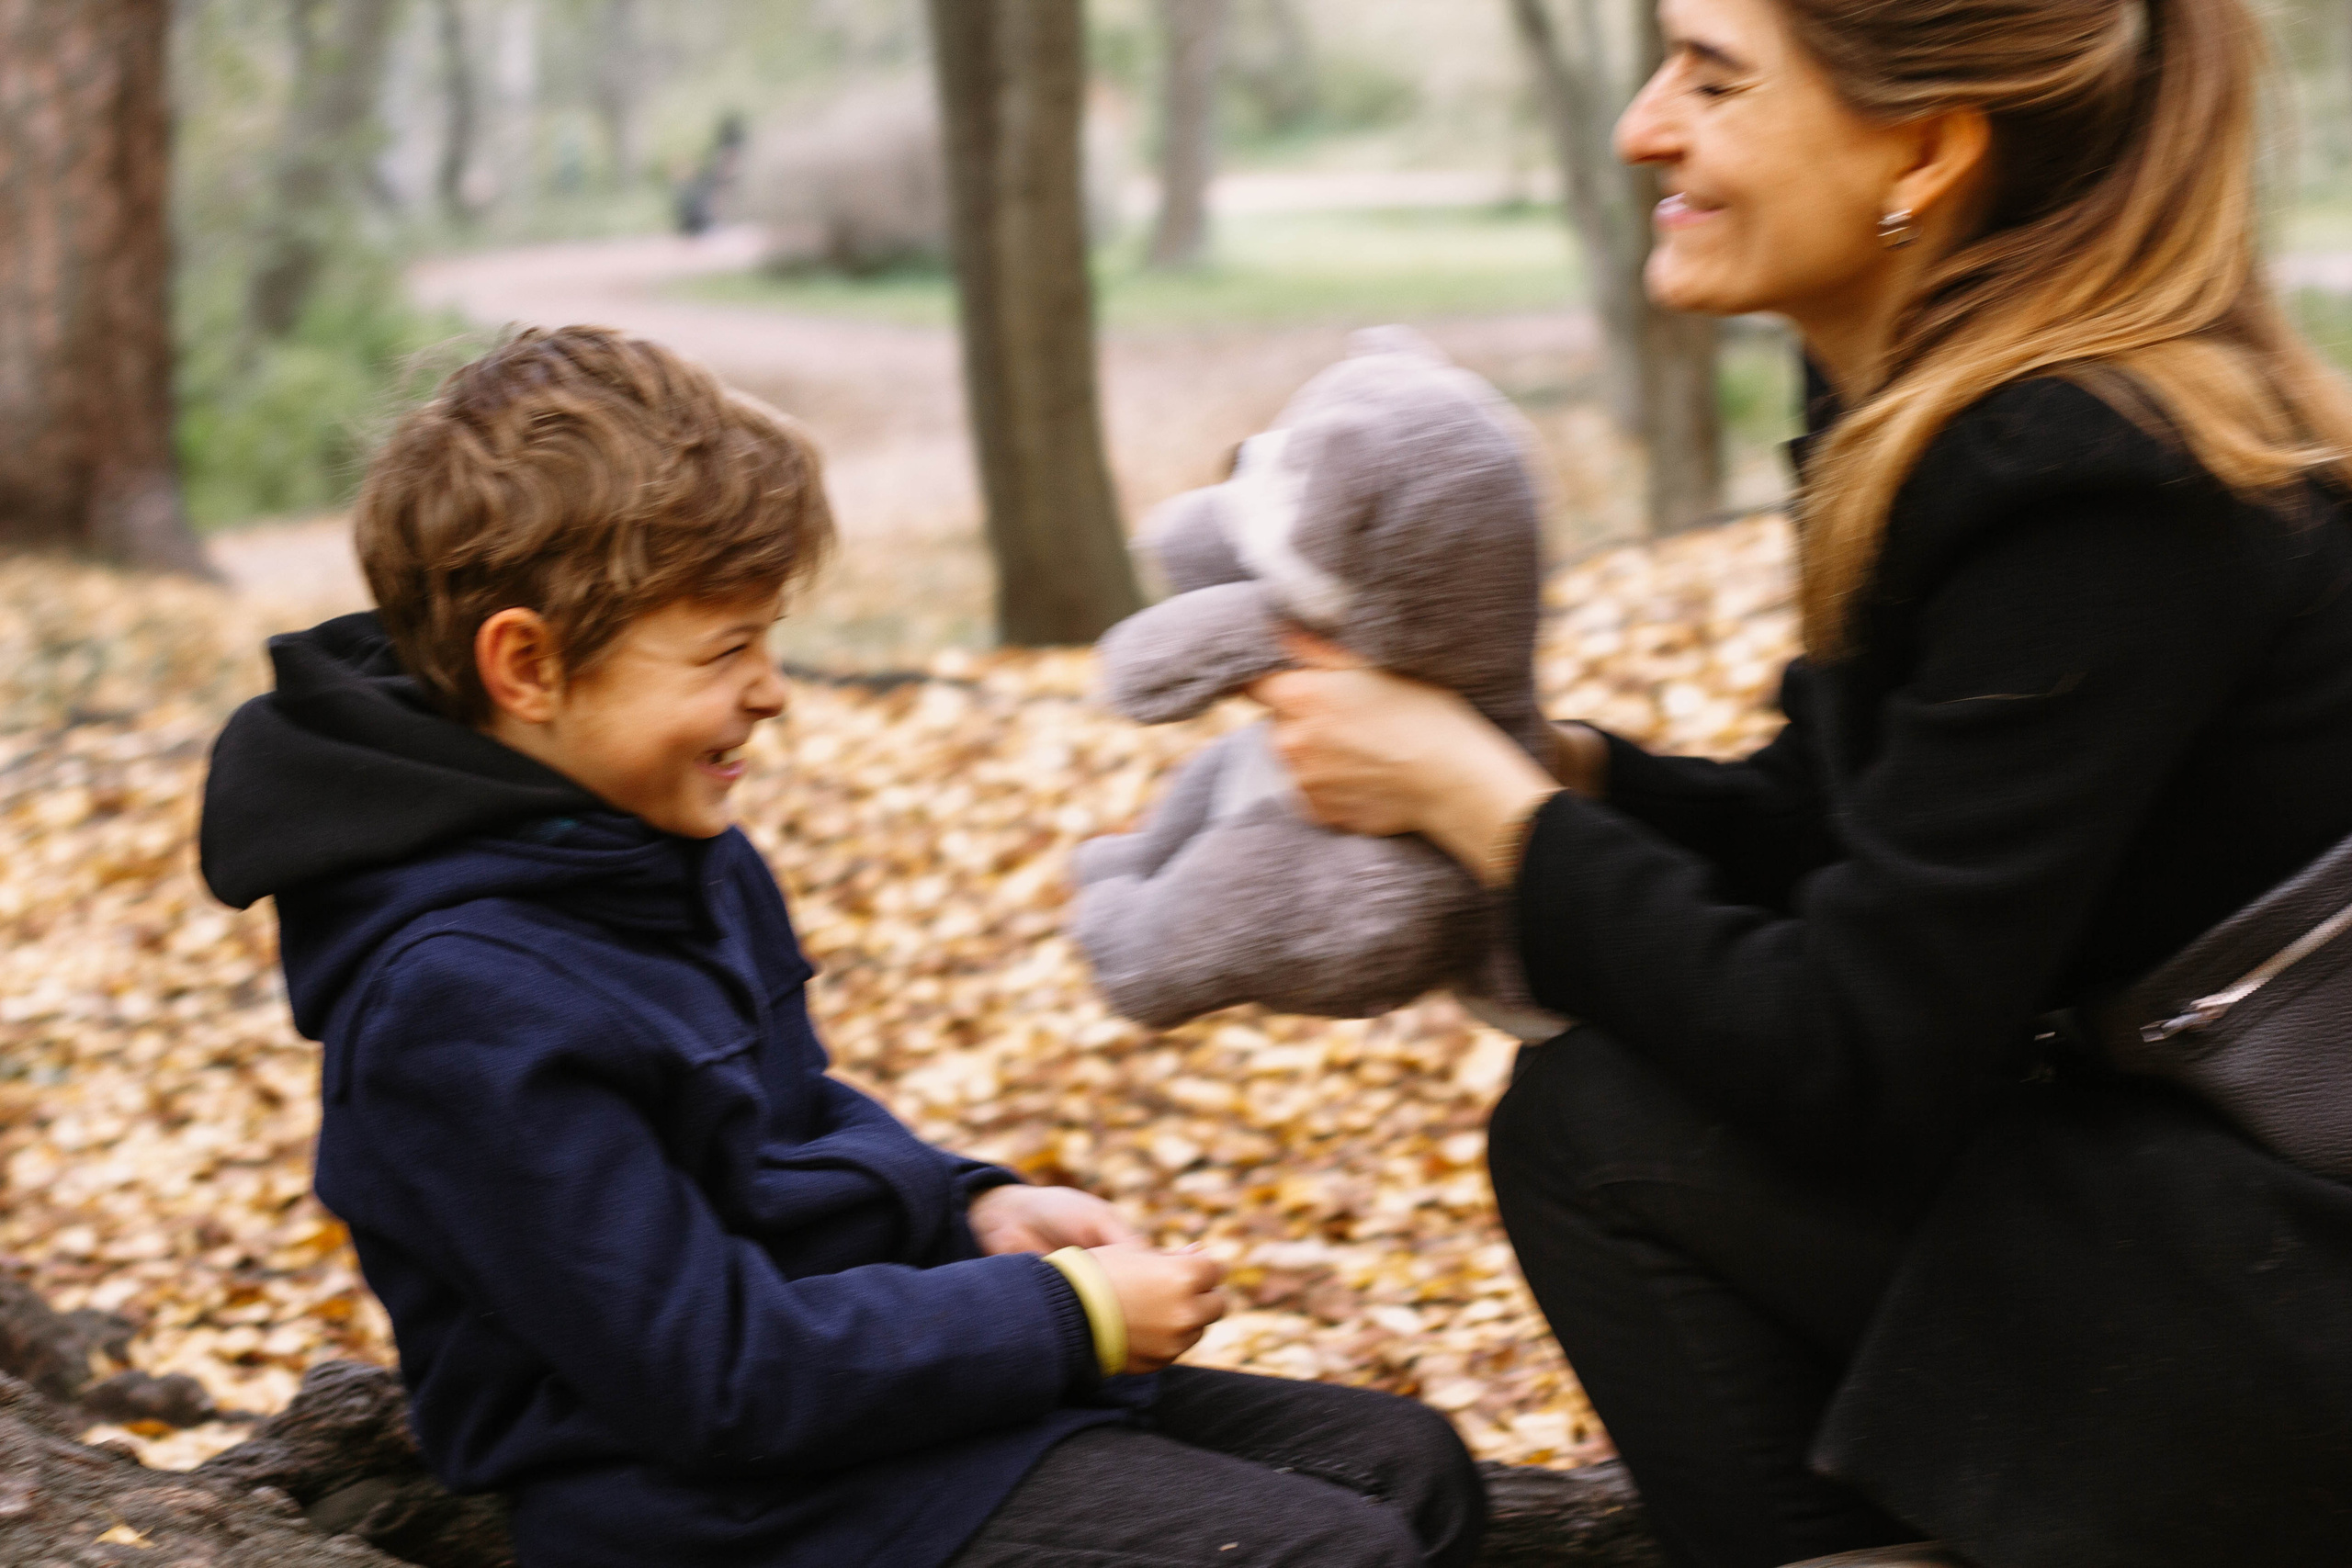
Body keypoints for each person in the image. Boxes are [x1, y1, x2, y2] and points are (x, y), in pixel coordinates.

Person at [1255, 2, 2352, 1567]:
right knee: (1603, 1110)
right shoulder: (1964, 410)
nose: (1644, 127)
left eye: (1712, 78)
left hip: (2302, 1292)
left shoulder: (2096, 477)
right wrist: (1559, 772)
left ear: (1925, 148)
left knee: (1603, 1128)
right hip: (2213, 1214)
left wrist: (1484, 811)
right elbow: (1859, 842)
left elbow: (1851, 1052)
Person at [196, 326, 1484, 1568]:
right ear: (527, 665)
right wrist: (1066, 1318)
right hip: (718, 1510)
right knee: (1327, 1552)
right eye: (725, 649)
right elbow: (710, 1374)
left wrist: (965, 1203)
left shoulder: (654, 846)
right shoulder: (456, 1008)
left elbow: (789, 1122)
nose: (771, 687)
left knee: (1408, 1471)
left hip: (868, 1419)